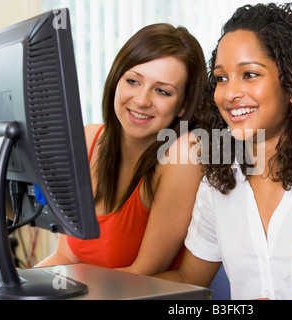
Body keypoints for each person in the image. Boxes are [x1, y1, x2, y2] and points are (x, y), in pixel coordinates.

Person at [155, 3, 292, 300]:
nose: (229, 94)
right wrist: (106, 290)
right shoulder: (220, 179)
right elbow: (189, 278)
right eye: (221, 78)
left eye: (250, 74)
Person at [37, 23, 208, 275]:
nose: (141, 100)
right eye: (132, 81)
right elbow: (67, 255)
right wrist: (16, 286)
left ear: (183, 106)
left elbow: (142, 275)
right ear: (116, 81)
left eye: (162, 91)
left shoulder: (182, 157)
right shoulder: (86, 140)